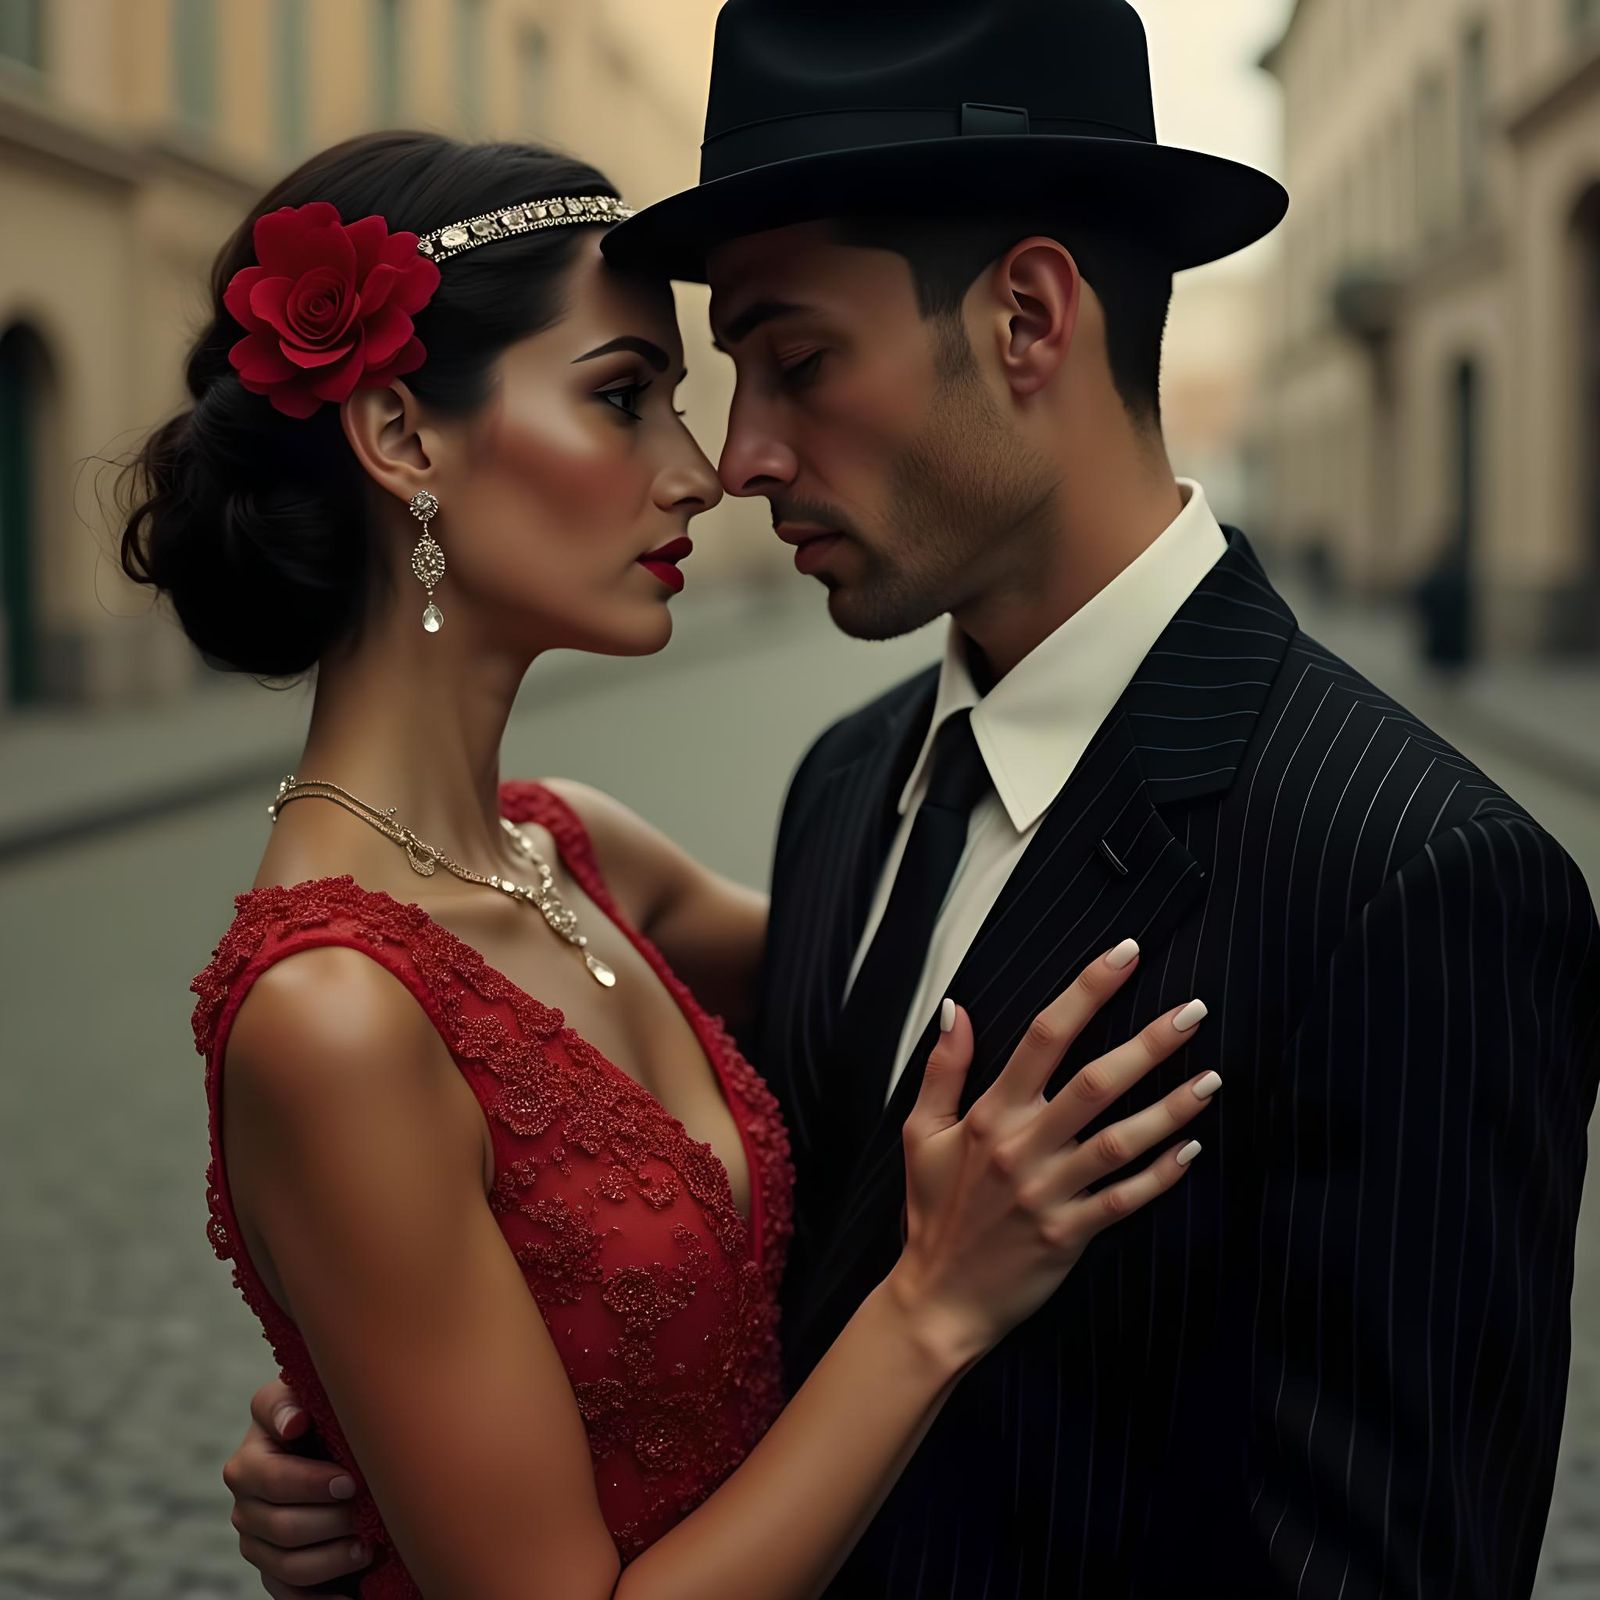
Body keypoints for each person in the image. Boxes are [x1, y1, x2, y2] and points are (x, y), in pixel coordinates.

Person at [219, 1, 1600, 1595]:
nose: (735, 458)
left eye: (797, 362)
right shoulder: (847, 783)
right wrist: (392, 1439)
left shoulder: (1412, 875)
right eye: (693, 381)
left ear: (1028, 319)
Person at [123, 128, 1220, 1599]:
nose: (703, 473)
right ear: (400, 437)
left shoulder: (581, 852)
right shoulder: (334, 1017)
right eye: (623, 398)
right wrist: (933, 1310)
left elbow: (921, 979)